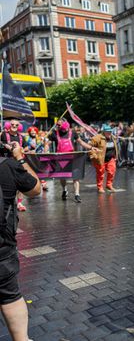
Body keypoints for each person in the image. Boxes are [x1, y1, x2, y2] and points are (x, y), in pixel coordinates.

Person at [0, 141, 41, 341]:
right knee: (9, 296)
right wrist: (19, 158)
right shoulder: (7, 166)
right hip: (2, 248)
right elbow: (35, 189)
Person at [48, 119, 95, 203]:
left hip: (72, 157)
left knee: (75, 176)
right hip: (60, 158)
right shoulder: (54, 133)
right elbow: (47, 144)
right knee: (62, 176)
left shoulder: (72, 133)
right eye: (57, 125)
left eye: (59, 125)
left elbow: (81, 142)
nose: (57, 126)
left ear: (65, 124)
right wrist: (45, 150)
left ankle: (77, 194)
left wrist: (91, 148)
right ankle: (64, 190)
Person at [1, 120, 27, 212]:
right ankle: (7, 202)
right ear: (8, 125)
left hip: (18, 162)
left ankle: (19, 202)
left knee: (20, 182)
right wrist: (5, 146)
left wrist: (23, 149)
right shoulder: (3, 134)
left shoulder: (21, 137)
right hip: (6, 162)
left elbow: (26, 147)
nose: (14, 126)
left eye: (16, 125)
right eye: (12, 124)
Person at [90, 124, 119, 193]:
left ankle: (109, 185)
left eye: (110, 131)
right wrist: (94, 155)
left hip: (111, 158)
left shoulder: (112, 137)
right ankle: (100, 187)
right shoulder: (97, 138)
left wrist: (116, 156)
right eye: (108, 131)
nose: (109, 133)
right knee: (100, 173)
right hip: (101, 159)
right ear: (104, 132)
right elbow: (90, 146)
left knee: (112, 171)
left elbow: (115, 147)